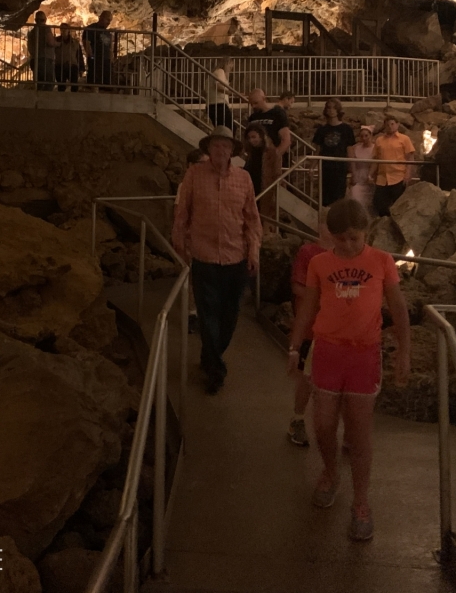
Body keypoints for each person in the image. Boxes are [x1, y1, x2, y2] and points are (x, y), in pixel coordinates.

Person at [288, 199, 411, 541]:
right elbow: (308, 308)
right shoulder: (319, 263)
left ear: (366, 233)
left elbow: (399, 309)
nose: (347, 245)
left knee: (359, 432)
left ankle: (361, 502)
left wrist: (403, 352)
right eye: (340, 238)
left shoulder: (382, 262)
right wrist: (296, 347)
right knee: (323, 425)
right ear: (330, 235)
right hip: (327, 351)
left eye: (354, 238)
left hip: (364, 355)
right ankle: (330, 472)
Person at [173, 126, 262, 395]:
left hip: (236, 257)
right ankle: (215, 370)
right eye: (216, 146)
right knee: (207, 314)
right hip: (204, 256)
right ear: (208, 149)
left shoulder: (244, 179)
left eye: (226, 146)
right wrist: (180, 245)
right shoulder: (194, 175)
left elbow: (252, 219)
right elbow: (182, 212)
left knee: (229, 317)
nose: (221, 151)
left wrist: (254, 250)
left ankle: (210, 355)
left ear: (233, 151)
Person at [286, 208, 332, 446]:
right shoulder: (308, 253)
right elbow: (298, 287)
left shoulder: (341, 256)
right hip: (311, 328)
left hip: (334, 329)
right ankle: (298, 417)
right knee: (307, 378)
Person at [176, 148, 209, 334]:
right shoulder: (186, 186)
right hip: (191, 237)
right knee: (190, 276)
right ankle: (191, 313)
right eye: (201, 164)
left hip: (205, 237)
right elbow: (179, 213)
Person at [312, 98, 356, 208]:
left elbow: (350, 151)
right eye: (329, 108)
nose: (331, 110)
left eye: (334, 108)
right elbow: (317, 151)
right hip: (325, 168)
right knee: (325, 198)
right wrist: (312, 167)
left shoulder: (346, 129)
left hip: (340, 167)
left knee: (339, 198)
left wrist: (353, 171)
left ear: (338, 110)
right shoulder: (322, 130)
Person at [369, 114, 416, 216]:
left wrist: (408, 174)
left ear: (397, 124)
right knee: (378, 203)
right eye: (387, 124)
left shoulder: (404, 139)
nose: (390, 126)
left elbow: (410, 157)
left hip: (398, 176)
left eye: (392, 124)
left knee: (398, 204)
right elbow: (376, 159)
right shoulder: (379, 140)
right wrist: (370, 174)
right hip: (382, 178)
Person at [242, 123, 280, 225]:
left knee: (263, 213)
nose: (251, 140)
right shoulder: (251, 152)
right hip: (252, 185)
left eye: (254, 137)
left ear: (261, 136)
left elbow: (276, 172)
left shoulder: (271, 152)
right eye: (249, 138)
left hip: (264, 185)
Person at [247, 88, 291, 173]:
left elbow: (286, 140)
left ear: (264, 99)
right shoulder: (252, 117)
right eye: (251, 104)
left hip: (272, 158)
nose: (253, 106)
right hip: (256, 160)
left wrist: (275, 157)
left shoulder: (277, 114)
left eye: (256, 103)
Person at [348, 125, 376, 215]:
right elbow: (352, 162)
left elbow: (376, 163)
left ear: (371, 136)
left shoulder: (375, 148)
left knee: (369, 204)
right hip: (358, 176)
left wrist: (371, 175)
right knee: (356, 199)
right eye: (362, 136)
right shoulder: (356, 148)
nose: (364, 138)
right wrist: (354, 174)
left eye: (366, 136)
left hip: (371, 177)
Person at [26, 11, 57, 91]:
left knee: (38, 83)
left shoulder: (32, 32)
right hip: (45, 59)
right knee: (49, 82)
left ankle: (38, 100)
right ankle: (45, 101)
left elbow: (29, 47)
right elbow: (50, 42)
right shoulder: (45, 29)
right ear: (45, 20)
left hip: (34, 60)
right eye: (42, 20)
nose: (41, 22)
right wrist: (58, 44)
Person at [83, 10, 114, 89]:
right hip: (96, 59)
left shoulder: (107, 33)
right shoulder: (91, 29)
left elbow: (110, 47)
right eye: (107, 19)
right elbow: (86, 43)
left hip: (106, 61)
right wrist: (91, 57)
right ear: (102, 18)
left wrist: (111, 59)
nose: (109, 22)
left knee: (106, 83)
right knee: (94, 82)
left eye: (110, 20)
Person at [55, 23, 84, 92]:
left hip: (72, 65)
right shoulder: (56, 41)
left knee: (74, 85)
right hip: (60, 65)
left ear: (69, 30)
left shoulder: (75, 42)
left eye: (65, 29)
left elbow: (79, 55)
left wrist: (81, 68)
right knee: (61, 86)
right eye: (62, 29)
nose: (64, 30)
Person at [207, 57, 234, 128]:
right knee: (230, 127)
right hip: (219, 104)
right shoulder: (220, 71)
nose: (231, 67)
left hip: (213, 104)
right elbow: (219, 86)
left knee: (222, 127)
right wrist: (231, 93)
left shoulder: (216, 74)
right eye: (230, 64)